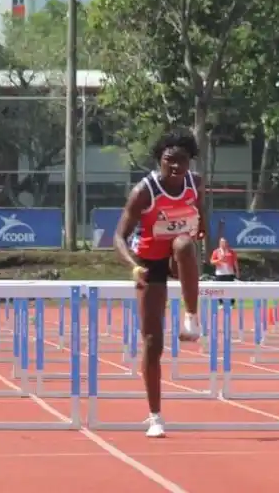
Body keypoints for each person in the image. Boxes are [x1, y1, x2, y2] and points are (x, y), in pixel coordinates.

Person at [115, 130, 205, 438]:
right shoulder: (144, 191)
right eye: (169, 161)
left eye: (182, 162)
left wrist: (202, 230)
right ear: (159, 161)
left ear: (189, 162)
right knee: (153, 342)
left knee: (182, 244)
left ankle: (191, 318)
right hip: (149, 261)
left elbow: (202, 213)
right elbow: (118, 237)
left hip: (180, 256)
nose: (176, 168)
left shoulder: (196, 183)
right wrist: (133, 267)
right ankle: (155, 416)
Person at [210, 237, 239, 307]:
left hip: (230, 273)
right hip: (220, 274)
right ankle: (221, 303)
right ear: (220, 243)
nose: (224, 244)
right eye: (222, 242)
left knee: (231, 289)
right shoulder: (216, 251)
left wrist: (237, 271)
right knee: (220, 289)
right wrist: (220, 260)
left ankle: (232, 303)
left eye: (225, 242)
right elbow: (212, 262)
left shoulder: (231, 251)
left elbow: (235, 262)